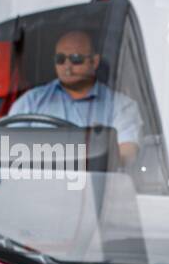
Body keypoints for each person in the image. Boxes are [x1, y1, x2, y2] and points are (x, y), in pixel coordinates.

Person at [8, 29, 143, 165]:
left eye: (76, 59)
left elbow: (127, 153)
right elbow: (5, 148)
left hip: (96, 184)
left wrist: (100, 150)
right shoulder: (31, 101)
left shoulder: (121, 105)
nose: (67, 67)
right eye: (60, 59)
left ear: (94, 62)